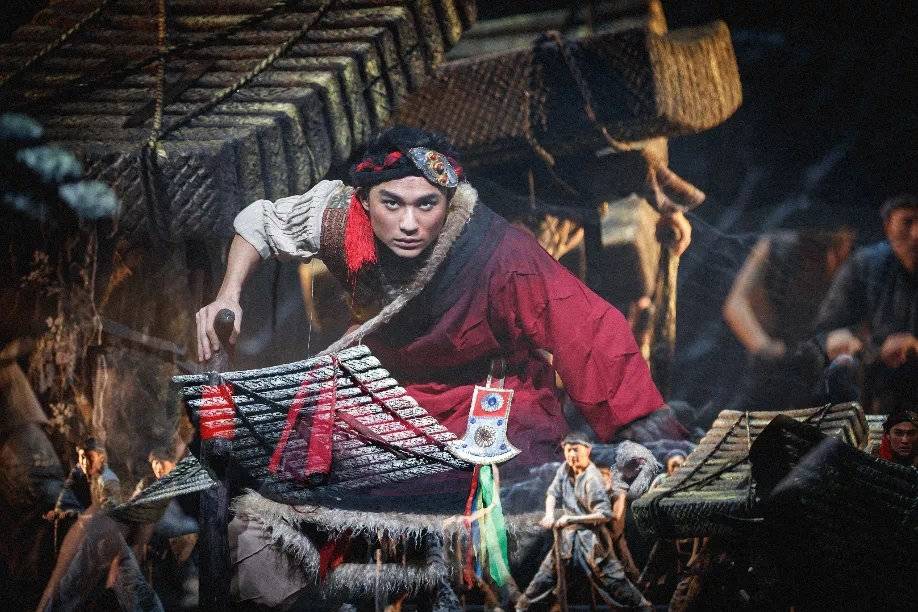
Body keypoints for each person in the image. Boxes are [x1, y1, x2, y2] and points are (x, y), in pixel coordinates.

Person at [195, 126, 679, 477]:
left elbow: (585, 326)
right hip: (384, 385)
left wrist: (640, 427)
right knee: (303, 481)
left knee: (513, 485)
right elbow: (260, 222)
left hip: (486, 390)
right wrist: (227, 295)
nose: (409, 224)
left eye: (426, 204)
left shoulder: (498, 253)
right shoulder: (338, 215)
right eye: (392, 204)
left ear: (448, 203)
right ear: (364, 200)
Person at [516, 433, 651, 610]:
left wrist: (570, 518)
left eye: (576, 450)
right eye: (568, 450)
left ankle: (643, 608)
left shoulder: (592, 478)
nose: (572, 454)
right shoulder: (565, 469)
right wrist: (549, 515)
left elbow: (603, 514)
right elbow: (552, 493)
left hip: (592, 539)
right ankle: (522, 608)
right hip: (566, 538)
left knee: (613, 580)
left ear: (587, 450)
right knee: (545, 577)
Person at [723, 228, 854, 410]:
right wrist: (766, 348)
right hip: (772, 362)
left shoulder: (854, 258)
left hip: (821, 367)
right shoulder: (777, 245)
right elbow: (736, 304)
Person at [815, 194, 917, 412]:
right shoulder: (864, 265)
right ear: (888, 225)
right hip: (870, 394)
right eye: (907, 222)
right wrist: (841, 339)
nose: (916, 234)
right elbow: (826, 330)